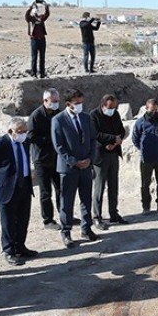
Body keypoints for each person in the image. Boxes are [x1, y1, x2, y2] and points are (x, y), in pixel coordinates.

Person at [0, 118, 38, 265]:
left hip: (24, 186)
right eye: (21, 132)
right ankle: (8, 251)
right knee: (8, 222)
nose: (24, 134)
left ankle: (20, 246)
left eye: (25, 131)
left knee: (23, 219)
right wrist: (0, 182)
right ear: (10, 132)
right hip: (6, 189)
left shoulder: (25, 142)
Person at [51, 88, 101, 248]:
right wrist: (74, 161)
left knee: (86, 199)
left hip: (86, 166)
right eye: (76, 103)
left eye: (81, 102)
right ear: (68, 104)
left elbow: (93, 140)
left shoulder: (86, 118)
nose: (80, 105)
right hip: (68, 168)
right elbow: (59, 145)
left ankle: (86, 229)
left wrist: (89, 159)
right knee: (67, 201)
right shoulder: (58, 120)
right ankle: (66, 232)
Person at [90, 94, 128, 230]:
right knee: (99, 187)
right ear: (103, 105)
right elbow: (95, 134)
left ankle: (114, 213)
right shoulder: (93, 115)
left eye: (114, 107)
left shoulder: (115, 114)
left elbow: (121, 131)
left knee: (114, 185)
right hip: (100, 155)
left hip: (113, 153)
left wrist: (116, 142)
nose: (112, 109)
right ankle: (96, 216)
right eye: (110, 107)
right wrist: (112, 140)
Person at [28, 88, 62, 230]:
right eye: (53, 101)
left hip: (56, 158)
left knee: (61, 188)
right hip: (41, 159)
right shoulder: (36, 116)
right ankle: (48, 220)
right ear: (45, 101)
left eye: (57, 101)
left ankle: (65, 215)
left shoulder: (58, 114)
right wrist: (49, 139)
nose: (56, 104)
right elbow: (31, 136)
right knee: (45, 192)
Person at [132, 99, 158, 215]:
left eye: (156, 110)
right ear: (146, 109)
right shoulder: (140, 122)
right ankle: (146, 207)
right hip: (146, 159)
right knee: (145, 184)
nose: (154, 112)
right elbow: (135, 138)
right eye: (152, 110)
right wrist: (143, 149)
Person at [25, 0, 50, 78]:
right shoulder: (31, 19)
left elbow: (47, 14)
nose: (36, 10)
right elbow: (26, 16)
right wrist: (31, 8)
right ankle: (34, 73)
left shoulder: (41, 18)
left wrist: (46, 6)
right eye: (35, 9)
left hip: (42, 39)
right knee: (34, 58)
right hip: (34, 40)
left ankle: (42, 73)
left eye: (37, 9)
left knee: (42, 57)